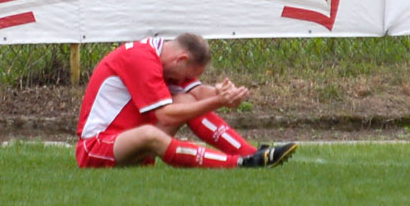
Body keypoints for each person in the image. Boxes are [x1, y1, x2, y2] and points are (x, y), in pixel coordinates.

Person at [75, 33, 297, 169]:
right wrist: (218, 101)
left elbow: (199, 94)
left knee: (184, 100)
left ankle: (251, 153)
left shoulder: (163, 59)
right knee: (151, 134)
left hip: (129, 148)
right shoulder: (141, 58)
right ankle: (241, 164)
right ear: (181, 59)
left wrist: (226, 93)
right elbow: (165, 115)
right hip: (96, 147)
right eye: (185, 75)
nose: (182, 80)